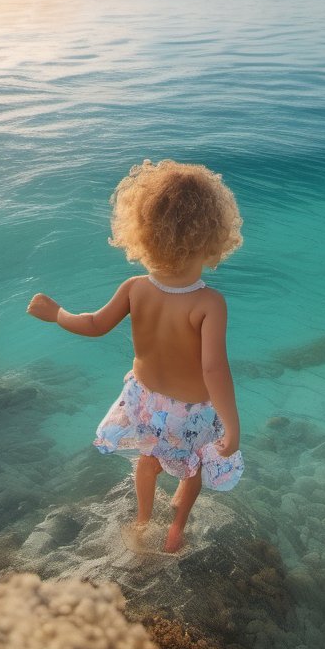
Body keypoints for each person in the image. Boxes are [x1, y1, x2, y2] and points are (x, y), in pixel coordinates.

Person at [27, 159, 244, 553]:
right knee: (191, 469)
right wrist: (232, 426)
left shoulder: (135, 288)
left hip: (143, 400)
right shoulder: (209, 303)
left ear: (143, 235)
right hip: (188, 412)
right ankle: (176, 527)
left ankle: (142, 521)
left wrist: (57, 314)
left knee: (147, 461)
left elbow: (93, 324)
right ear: (213, 239)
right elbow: (213, 369)